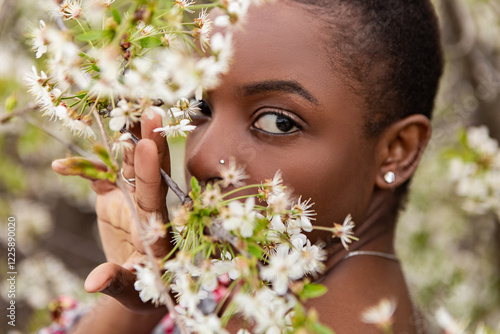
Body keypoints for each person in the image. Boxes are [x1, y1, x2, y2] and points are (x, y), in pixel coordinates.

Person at [51, 0, 443, 333]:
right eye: (202, 106)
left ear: (396, 151)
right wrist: (157, 295)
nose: (200, 157)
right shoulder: (238, 286)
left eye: (277, 122)